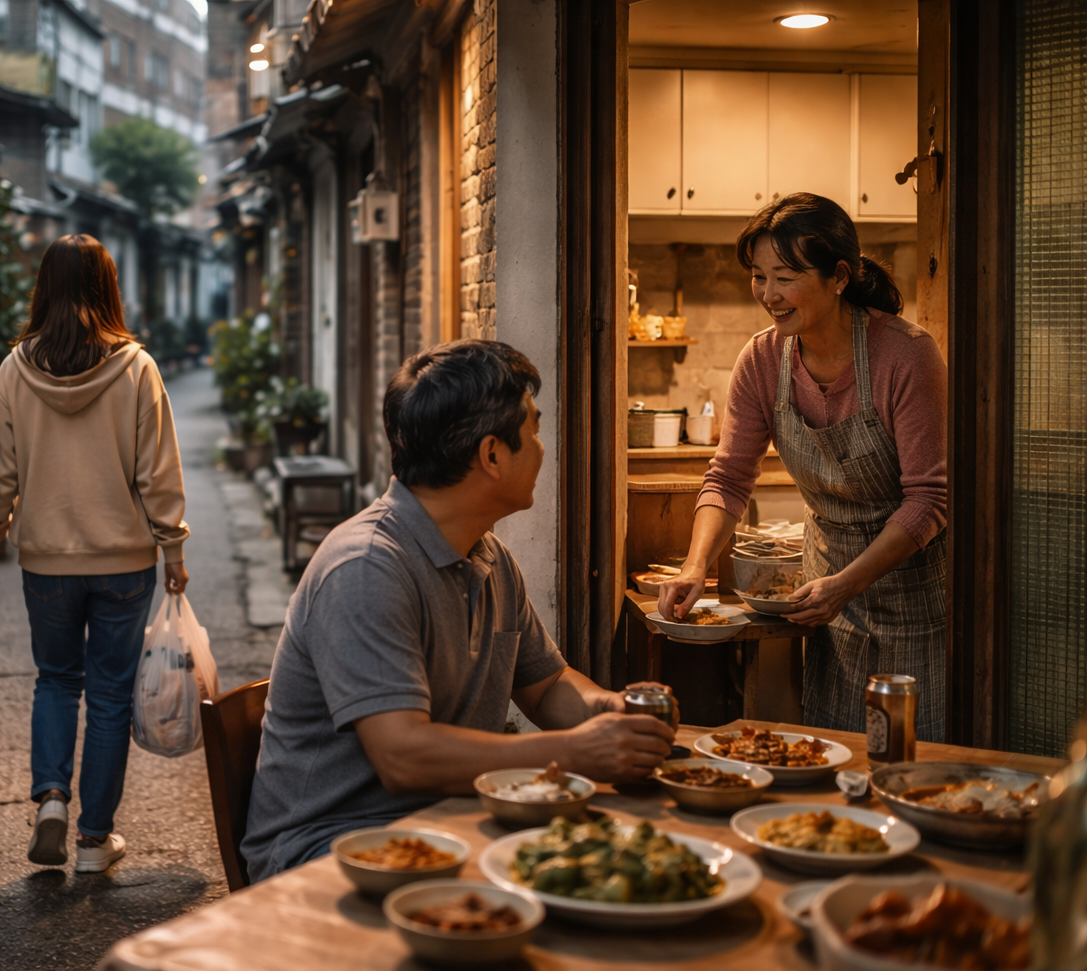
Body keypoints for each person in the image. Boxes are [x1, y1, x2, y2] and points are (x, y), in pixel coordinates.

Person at [241, 339, 677, 883]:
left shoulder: (488, 555)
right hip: (332, 847)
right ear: (492, 455)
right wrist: (576, 752)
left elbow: (546, 687)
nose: (542, 448)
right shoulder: (366, 567)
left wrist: (609, 712)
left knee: (631, 865)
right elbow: (403, 757)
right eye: (534, 430)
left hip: (448, 820)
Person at [658, 193, 948, 740]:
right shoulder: (762, 359)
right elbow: (729, 477)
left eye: (785, 278)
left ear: (839, 277)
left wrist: (847, 585)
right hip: (824, 595)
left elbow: (928, 501)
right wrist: (696, 566)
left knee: (913, 754)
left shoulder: (906, 355)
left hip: (913, 592)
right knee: (834, 749)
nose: (768, 295)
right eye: (758, 276)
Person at [0, 234, 190, 873]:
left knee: (55, 680)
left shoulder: (15, 369)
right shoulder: (136, 368)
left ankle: (51, 797)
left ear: (43, 288)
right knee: (107, 695)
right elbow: (158, 471)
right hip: (124, 561)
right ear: (108, 287)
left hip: (47, 560)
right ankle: (95, 842)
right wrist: (173, 548)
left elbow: (0, 472)